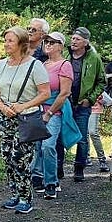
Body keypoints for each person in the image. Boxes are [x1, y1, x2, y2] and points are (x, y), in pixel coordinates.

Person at [0, 27, 50, 213]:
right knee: (7, 157)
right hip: (4, 117)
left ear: (21, 44)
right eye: (5, 40)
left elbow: (45, 93)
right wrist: (3, 108)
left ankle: (26, 197)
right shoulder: (1, 65)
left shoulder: (35, 65)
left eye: (10, 40)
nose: (6, 44)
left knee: (20, 158)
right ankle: (14, 193)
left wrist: (22, 106)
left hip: (26, 117)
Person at [58, 27, 105, 183]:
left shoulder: (94, 58)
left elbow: (101, 81)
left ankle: (79, 168)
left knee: (82, 137)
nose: (73, 41)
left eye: (77, 39)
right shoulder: (65, 56)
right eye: (72, 38)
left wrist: (90, 99)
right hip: (65, 103)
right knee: (59, 135)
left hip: (83, 104)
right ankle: (58, 167)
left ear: (86, 42)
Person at [31, 31, 74, 200]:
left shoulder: (65, 65)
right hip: (37, 109)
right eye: (46, 41)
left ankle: (51, 182)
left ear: (61, 46)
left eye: (52, 42)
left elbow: (64, 93)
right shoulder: (41, 65)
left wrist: (49, 113)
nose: (47, 44)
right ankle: (37, 177)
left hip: (53, 110)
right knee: (36, 146)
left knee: (48, 146)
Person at [87, 94, 110, 173]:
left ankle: (102, 159)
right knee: (84, 134)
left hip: (94, 106)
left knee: (93, 132)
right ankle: (86, 157)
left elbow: (101, 87)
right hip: (81, 107)